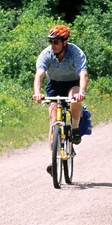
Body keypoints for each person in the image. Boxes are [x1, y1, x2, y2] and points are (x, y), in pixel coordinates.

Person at [33, 25, 88, 174]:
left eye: (56, 42)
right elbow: (39, 74)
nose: (53, 45)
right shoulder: (46, 54)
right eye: (51, 42)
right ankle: (54, 156)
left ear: (64, 42)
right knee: (53, 120)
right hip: (55, 85)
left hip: (72, 84)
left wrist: (81, 92)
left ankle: (75, 128)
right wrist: (37, 93)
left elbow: (83, 74)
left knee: (74, 98)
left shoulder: (76, 52)